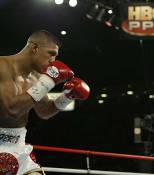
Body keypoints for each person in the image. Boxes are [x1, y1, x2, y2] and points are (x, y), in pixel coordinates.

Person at [0, 30, 90, 175]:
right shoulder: (2, 66)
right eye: (51, 53)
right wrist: (48, 81)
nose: (53, 61)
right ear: (35, 48)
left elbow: (45, 112)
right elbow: (12, 110)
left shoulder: (37, 78)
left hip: (19, 147)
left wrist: (67, 97)